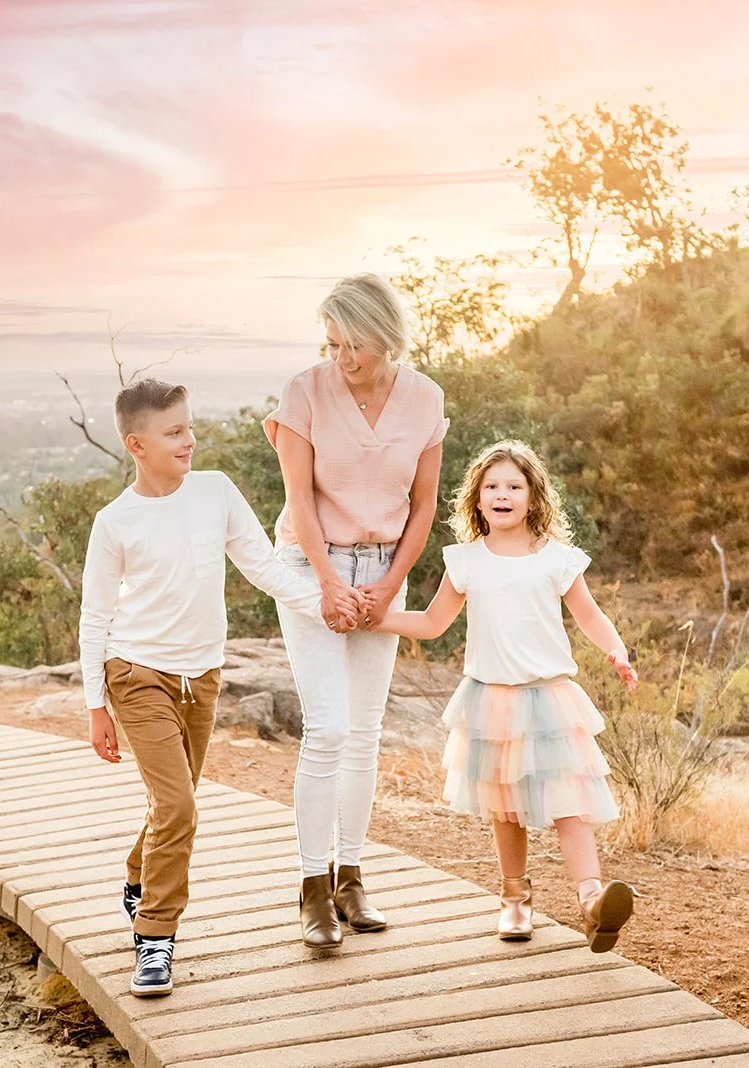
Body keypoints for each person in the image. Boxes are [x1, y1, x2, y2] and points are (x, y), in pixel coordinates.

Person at [80, 377, 364, 997]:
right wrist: (95, 705)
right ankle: (155, 940)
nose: (190, 440)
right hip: (136, 675)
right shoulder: (115, 522)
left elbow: (263, 568)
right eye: (174, 432)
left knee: (171, 801)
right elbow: (96, 616)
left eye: (189, 427)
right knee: (179, 806)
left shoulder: (216, 493)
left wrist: (328, 603)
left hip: (201, 678)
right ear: (137, 444)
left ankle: (137, 877)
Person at [373, 440, 640, 952]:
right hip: (491, 699)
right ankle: (514, 899)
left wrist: (617, 649)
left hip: (550, 697)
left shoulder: (557, 560)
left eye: (514, 486)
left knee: (572, 804)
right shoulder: (467, 561)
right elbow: (431, 623)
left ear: (534, 499)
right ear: (476, 500)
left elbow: (589, 614)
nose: (502, 494)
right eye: (491, 487)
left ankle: (592, 900)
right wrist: (374, 617)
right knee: (506, 809)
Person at [263, 273, 447, 948]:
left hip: (383, 573)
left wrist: (390, 584)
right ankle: (312, 888)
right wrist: (327, 584)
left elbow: (424, 506)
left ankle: (351, 878)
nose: (342, 357)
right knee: (329, 729)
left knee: (366, 734)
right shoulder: (304, 392)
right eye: (332, 342)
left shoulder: (425, 399)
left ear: (386, 337)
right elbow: (301, 501)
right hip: (311, 567)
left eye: (355, 344)